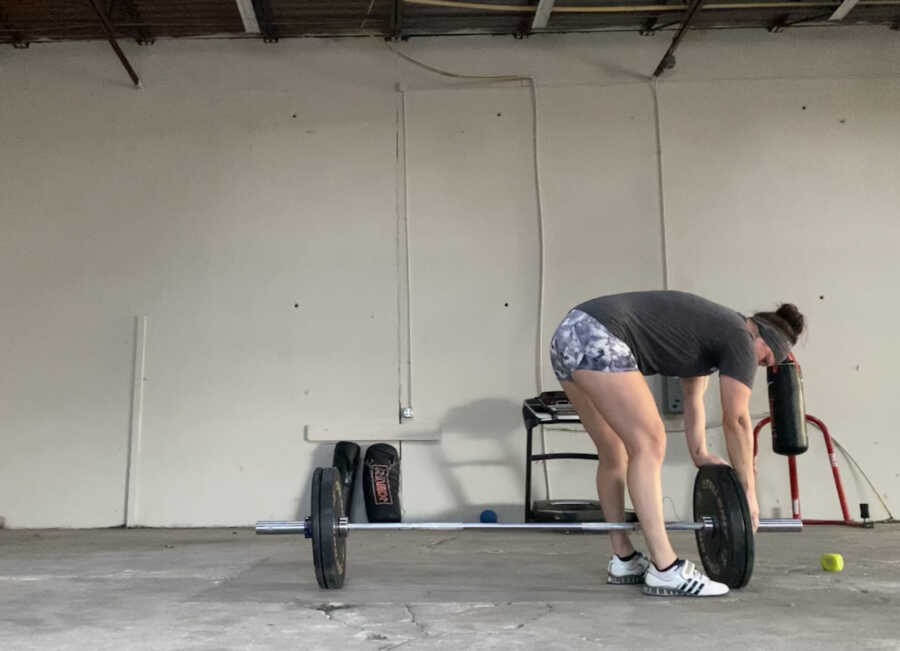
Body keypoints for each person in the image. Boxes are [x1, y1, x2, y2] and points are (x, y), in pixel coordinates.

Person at [549, 290, 804, 597]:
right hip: (599, 333)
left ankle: (624, 559)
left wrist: (700, 454)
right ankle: (666, 569)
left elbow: (693, 399)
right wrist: (748, 492)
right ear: (762, 338)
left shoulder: (711, 334)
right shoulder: (740, 338)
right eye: (765, 358)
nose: (758, 365)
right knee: (650, 442)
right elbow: (736, 420)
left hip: (569, 333)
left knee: (613, 451)